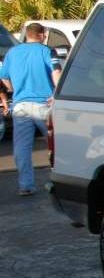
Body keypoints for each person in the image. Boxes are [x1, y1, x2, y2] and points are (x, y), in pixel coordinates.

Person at [0, 23, 61, 195]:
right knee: (56, 145)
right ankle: (58, 182)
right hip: (44, 105)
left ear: (27, 35)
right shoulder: (47, 51)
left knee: (22, 147)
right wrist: (57, 94)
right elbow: (56, 74)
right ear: (41, 35)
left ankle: (25, 185)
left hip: (21, 106)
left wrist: (15, 89)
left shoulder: (12, 53)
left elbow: (4, 77)